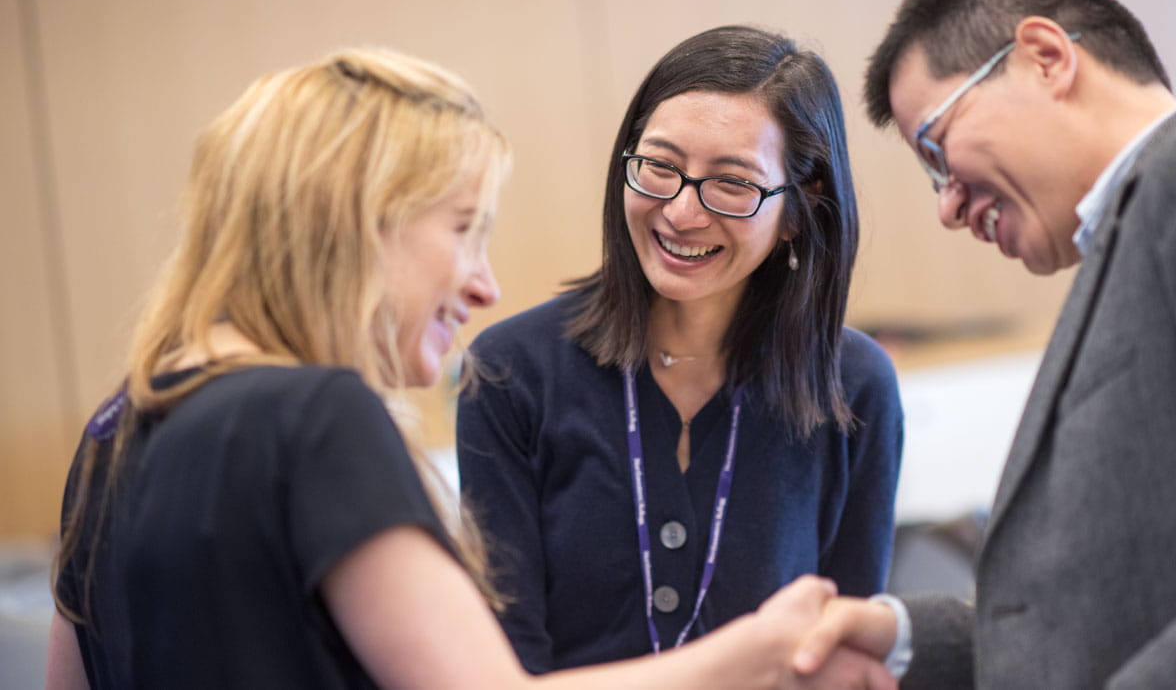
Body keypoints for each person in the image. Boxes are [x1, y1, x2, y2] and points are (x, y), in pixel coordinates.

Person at [43, 48, 895, 689]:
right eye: (463, 229)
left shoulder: (115, 427)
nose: (486, 284)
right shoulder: (319, 418)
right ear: (357, 224)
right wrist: (759, 650)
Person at [791, 0, 1176, 689]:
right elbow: (1114, 619)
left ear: (1045, 57)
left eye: (936, 149)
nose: (947, 206)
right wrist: (903, 639)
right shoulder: (1136, 233)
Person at [456, 24, 905, 673]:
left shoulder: (855, 386)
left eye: (732, 182)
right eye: (660, 167)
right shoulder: (510, 372)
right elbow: (500, 668)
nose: (681, 213)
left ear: (798, 207)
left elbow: (839, 661)